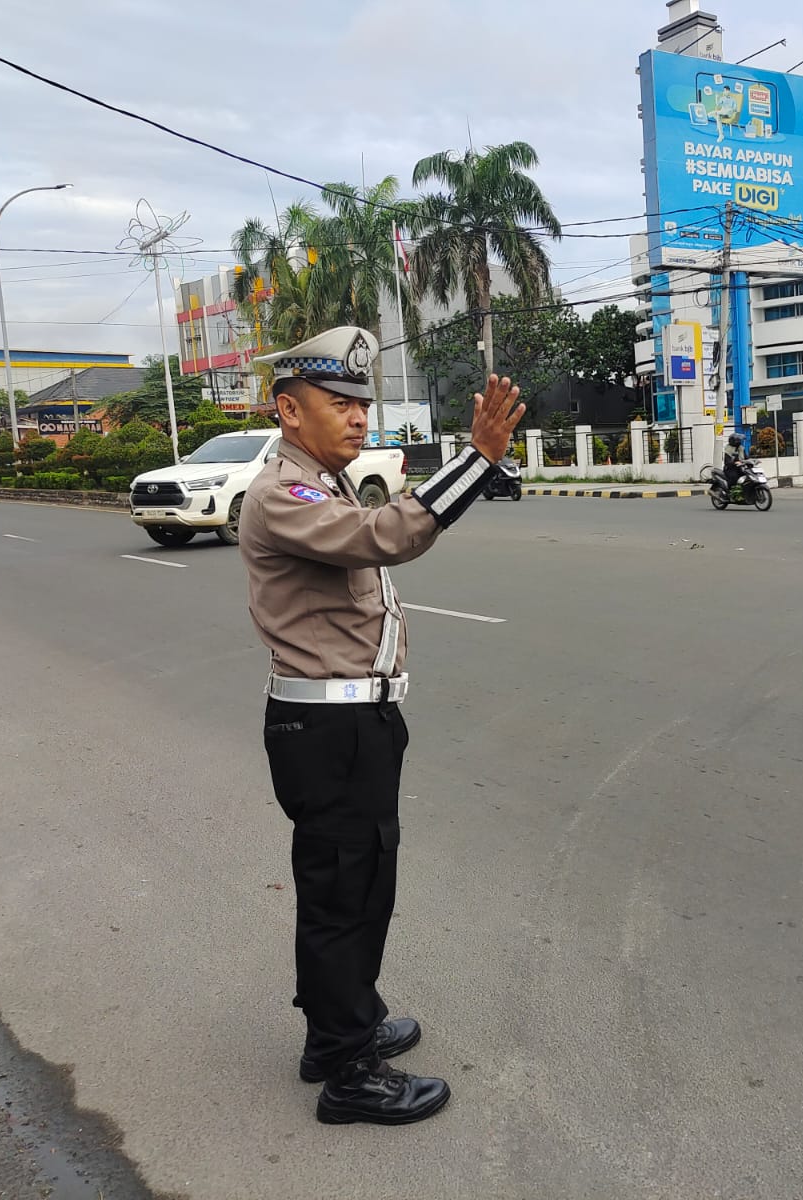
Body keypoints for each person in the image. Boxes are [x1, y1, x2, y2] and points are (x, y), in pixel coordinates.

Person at [239, 326, 523, 1126]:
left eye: (361, 403)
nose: (359, 416)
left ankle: (339, 1030)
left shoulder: (322, 483)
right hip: (327, 732)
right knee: (344, 895)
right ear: (289, 412)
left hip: (353, 723)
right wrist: (478, 460)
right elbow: (383, 538)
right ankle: (349, 1074)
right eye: (338, 403)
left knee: (357, 888)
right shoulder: (282, 492)